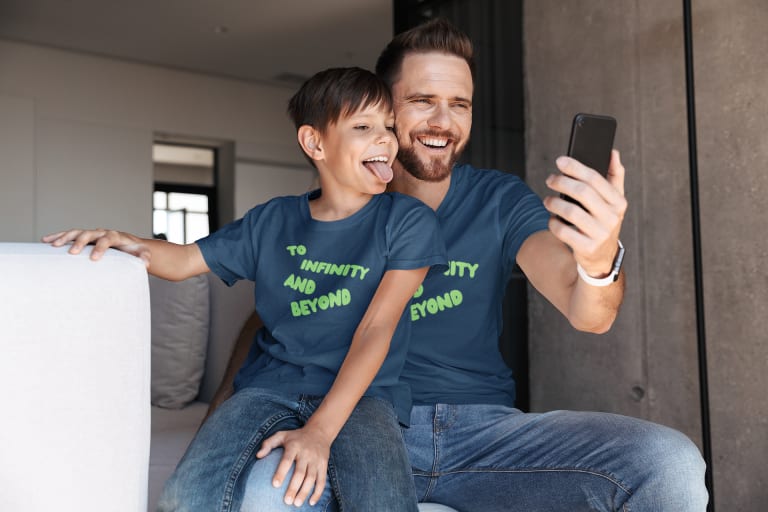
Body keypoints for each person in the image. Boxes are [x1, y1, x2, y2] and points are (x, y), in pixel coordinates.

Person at [223, 19, 708, 511]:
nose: (443, 121)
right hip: (363, 427)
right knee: (266, 496)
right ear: (383, 110)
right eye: (421, 101)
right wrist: (223, 418)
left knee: (668, 461)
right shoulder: (334, 210)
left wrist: (599, 255)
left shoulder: (498, 199)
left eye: (460, 104)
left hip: (487, 436)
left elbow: (590, 313)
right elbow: (270, 320)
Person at [44, 66, 447, 511]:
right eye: (363, 127)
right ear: (315, 143)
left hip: (365, 398)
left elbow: (377, 328)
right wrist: (127, 241)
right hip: (265, 386)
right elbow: (182, 261)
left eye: (389, 127)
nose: (386, 139)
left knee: (382, 501)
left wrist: (319, 432)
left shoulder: (407, 221)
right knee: (184, 496)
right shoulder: (272, 220)